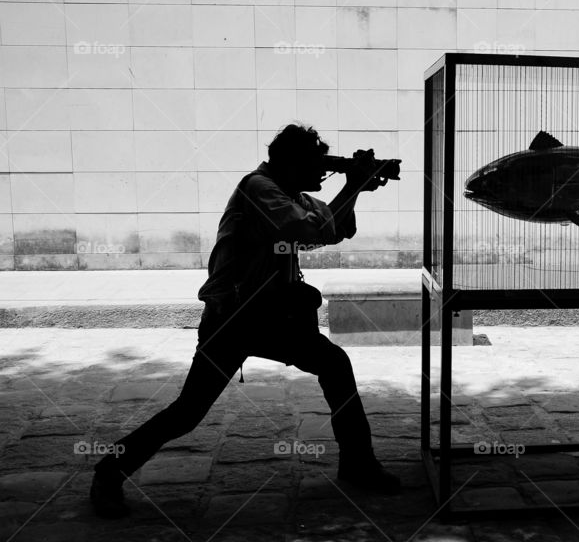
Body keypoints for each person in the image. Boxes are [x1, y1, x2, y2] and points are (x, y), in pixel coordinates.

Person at [90, 123, 400, 518]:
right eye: (314, 164)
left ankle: (358, 463)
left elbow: (335, 229)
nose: (321, 172)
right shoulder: (261, 190)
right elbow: (306, 229)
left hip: (273, 317)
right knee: (188, 412)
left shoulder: (287, 193)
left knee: (335, 365)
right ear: (290, 164)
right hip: (235, 318)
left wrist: (354, 188)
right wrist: (352, 185)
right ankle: (109, 470)